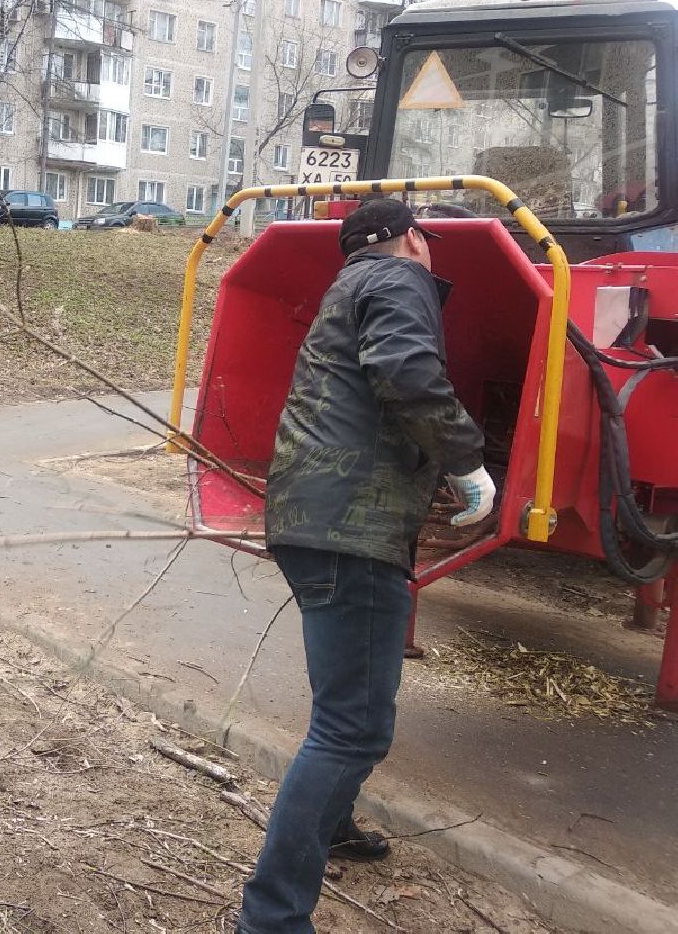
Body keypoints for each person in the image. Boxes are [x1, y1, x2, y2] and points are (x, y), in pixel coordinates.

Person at [237, 199, 495, 934]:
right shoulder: (399, 278)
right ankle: (272, 919)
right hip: (353, 528)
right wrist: (468, 461)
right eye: (428, 241)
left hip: (311, 518)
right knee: (351, 730)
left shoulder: (347, 285)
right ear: (412, 237)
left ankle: (337, 822)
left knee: (343, 713)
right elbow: (407, 372)